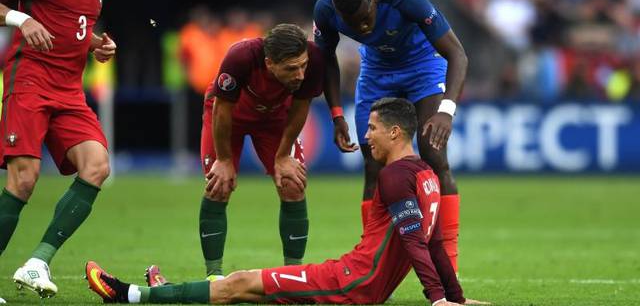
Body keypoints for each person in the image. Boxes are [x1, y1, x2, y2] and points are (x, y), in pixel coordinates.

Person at [85, 98, 487, 305]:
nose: (367, 136)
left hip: (352, 282)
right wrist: (453, 295)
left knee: (241, 282)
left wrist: (437, 299)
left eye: (373, 128)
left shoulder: (395, 176)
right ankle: (167, 292)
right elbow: (432, 243)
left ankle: (129, 295)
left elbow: (417, 243)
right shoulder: (427, 177)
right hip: (357, 281)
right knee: (247, 292)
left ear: (396, 132)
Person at [313, 0, 468, 272]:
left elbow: (457, 54)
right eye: (353, 23)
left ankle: (449, 270)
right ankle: (372, 266)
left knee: (433, 153)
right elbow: (325, 60)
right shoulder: (326, 9)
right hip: (376, 72)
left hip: (422, 63)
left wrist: (446, 110)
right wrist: (336, 115)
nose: (362, 27)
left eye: (365, 18)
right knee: (373, 165)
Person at [0, 0, 122, 299]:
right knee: (24, 180)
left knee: (97, 166)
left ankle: (38, 262)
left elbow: (73, 29)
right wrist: (22, 19)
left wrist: (96, 45)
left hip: (70, 91)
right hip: (30, 82)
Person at [197, 24, 325, 279]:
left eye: (302, 66)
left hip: (274, 118)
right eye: (291, 69)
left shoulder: (313, 59)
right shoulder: (241, 57)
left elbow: (300, 108)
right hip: (228, 117)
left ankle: (292, 275)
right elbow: (222, 109)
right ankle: (214, 275)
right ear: (269, 63)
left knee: (292, 183)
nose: (300, 74)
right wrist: (223, 160)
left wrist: (283, 156)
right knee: (219, 185)